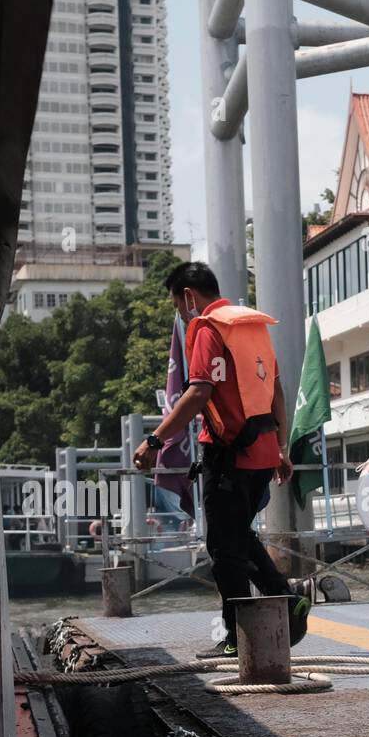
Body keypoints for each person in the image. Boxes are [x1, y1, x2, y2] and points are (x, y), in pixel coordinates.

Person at [132, 261, 309, 658]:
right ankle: (286, 599)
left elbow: (198, 393)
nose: (181, 316)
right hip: (263, 453)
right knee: (238, 536)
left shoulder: (208, 329)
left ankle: (237, 637)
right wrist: (281, 448)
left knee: (224, 550)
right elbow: (276, 393)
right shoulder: (254, 327)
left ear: (189, 297)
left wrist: (155, 441)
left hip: (229, 457)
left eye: (178, 307)